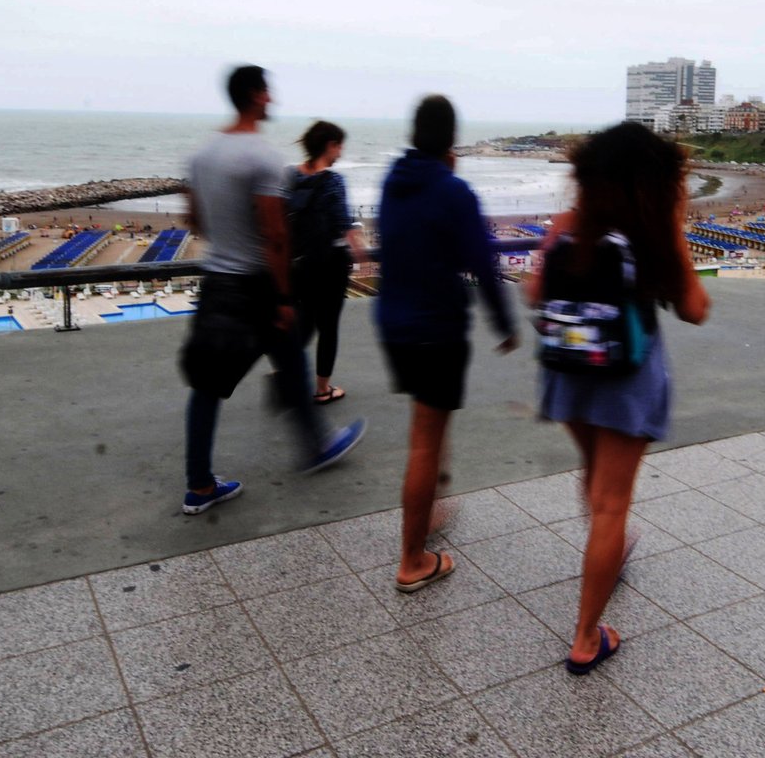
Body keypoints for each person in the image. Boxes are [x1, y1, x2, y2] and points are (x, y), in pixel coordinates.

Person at [529, 122, 710, 673]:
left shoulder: (568, 225)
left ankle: (608, 552)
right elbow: (695, 309)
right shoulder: (655, 231)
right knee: (612, 504)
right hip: (627, 379)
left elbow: (535, 293)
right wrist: (674, 235)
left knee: (593, 474)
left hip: (568, 372)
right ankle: (587, 638)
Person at [178, 65, 365, 515]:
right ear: (258, 96)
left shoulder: (201, 156)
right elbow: (276, 235)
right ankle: (317, 445)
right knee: (288, 354)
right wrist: (282, 297)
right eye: (269, 92)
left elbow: (195, 220)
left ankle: (200, 485)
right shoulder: (260, 158)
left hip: (217, 282)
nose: (273, 99)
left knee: (211, 384)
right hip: (256, 286)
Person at [375, 95, 517, 592]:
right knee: (425, 441)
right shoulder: (453, 190)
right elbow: (482, 262)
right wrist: (504, 324)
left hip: (393, 324)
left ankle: (429, 508)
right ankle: (412, 560)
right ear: (451, 139)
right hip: (435, 329)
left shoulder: (393, 182)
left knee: (430, 424)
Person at [287, 120, 362, 404]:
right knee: (328, 326)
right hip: (330, 264)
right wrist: (359, 250)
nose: (341, 152)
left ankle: (287, 368)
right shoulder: (333, 181)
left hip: (300, 263)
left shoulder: (290, 176)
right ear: (330, 146)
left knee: (304, 320)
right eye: (339, 146)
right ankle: (322, 389)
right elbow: (343, 223)